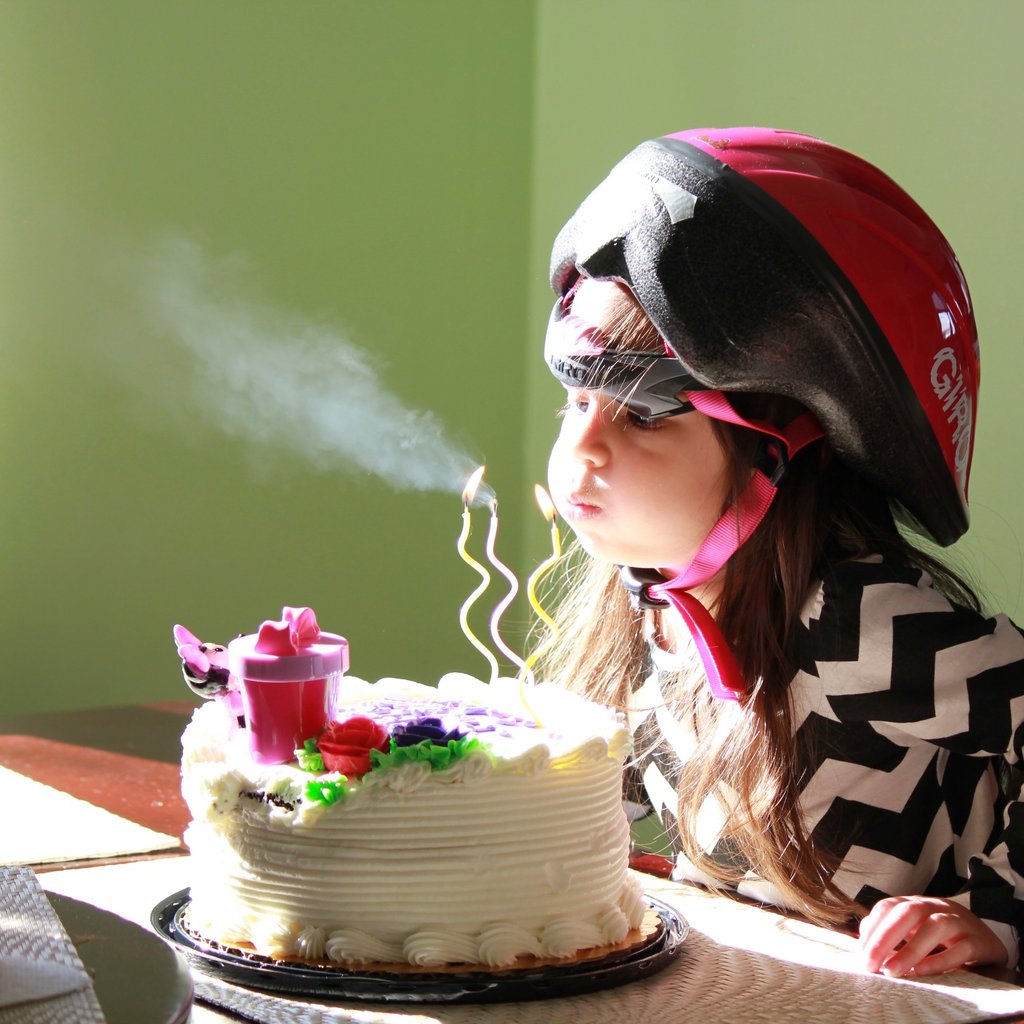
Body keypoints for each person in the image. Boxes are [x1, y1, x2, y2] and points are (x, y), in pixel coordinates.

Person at [538, 126, 1024, 979]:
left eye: (645, 414)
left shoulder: (855, 625)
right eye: (574, 402)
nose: (582, 452)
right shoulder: (642, 611)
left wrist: (1001, 914)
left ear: (779, 455)